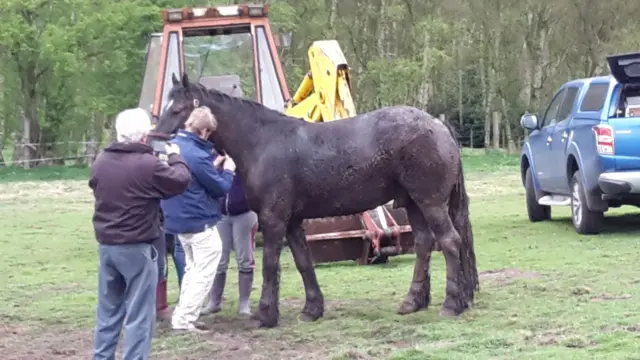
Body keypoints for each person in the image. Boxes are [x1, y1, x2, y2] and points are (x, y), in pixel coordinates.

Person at [90, 108, 191, 360]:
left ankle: (101, 356)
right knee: (139, 315)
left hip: (107, 245)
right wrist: (176, 156)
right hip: (136, 245)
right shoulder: (148, 165)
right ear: (145, 136)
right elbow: (180, 180)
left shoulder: (101, 160)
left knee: (108, 312)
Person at [160, 106, 237, 332]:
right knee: (203, 273)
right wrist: (229, 169)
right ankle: (185, 320)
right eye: (209, 133)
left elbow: (190, 178)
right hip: (199, 220)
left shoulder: (174, 147)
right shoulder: (197, 154)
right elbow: (220, 187)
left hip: (178, 219)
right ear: (203, 131)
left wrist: (211, 168)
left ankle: (182, 316)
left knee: (192, 270)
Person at [202, 168, 258, 316]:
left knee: (245, 258)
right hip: (221, 215)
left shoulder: (244, 155)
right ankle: (214, 302)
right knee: (219, 259)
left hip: (245, 213)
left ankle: (244, 304)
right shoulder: (215, 158)